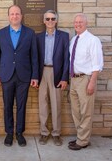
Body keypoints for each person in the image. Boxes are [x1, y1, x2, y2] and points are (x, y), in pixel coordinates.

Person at [0, 5, 38, 147]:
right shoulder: (0, 34)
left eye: (17, 14)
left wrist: (35, 76)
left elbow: (34, 57)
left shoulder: (30, 33)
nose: (14, 16)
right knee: (7, 105)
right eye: (12, 14)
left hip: (24, 75)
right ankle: (9, 132)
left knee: (21, 105)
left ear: (21, 16)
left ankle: (19, 133)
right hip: (6, 75)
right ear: (8, 16)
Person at [68, 13, 103, 150]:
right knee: (76, 110)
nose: (77, 24)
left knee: (86, 111)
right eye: (76, 22)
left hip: (86, 79)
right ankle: (81, 137)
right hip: (74, 79)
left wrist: (92, 82)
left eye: (80, 22)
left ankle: (83, 141)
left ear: (86, 23)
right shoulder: (74, 39)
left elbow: (97, 63)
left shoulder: (93, 40)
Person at [36, 10, 69, 146]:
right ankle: (44, 133)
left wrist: (64, 78)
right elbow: (34, 58)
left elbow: (67, 59)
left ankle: (56, 133)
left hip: (57, 72)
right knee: (42, 104)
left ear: (56, 21)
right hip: (42, 72)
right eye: (47, 19)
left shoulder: (64, 36)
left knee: (56, 105)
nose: (50, 21)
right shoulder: (37, 37)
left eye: (52, 19)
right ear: (44, 21)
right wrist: (34, 77)